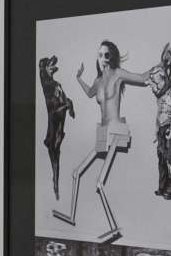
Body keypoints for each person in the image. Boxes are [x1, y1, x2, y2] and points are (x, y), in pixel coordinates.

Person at [52, 40, 148, 243]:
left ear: (111, 57)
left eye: (106, 54)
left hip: (116, 130)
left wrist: (161, 68)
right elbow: (90, 93)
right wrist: (78, 78)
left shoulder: (118, 74)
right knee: (76, 172)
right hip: (103, 131)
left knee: (99, 183)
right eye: (99, 54)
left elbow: (142, 78)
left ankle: (115, 229)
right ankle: (71, 216)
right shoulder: (98, 81)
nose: (102, 58)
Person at [143, 42, 171, 200]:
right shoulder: (161, 98)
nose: (153, 86)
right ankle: (162, 186)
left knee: (169, 160)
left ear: (164, 80)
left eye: (155, 82)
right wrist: (156, 131)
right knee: (161, 160)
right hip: (161, 130)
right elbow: (159, 116)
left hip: (169, 130)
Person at [38, 55, 75, 200]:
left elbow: (64, 101)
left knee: (56, 160)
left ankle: (56, 184)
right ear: (44, 70)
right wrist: (67, 106)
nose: (52, 66)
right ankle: (56, 185)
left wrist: (69, 106)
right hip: (54, 131)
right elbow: (55, 110)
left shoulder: (56, 84)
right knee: (55, 158)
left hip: (58, 130)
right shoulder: (48, 87)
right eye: (49, 65)